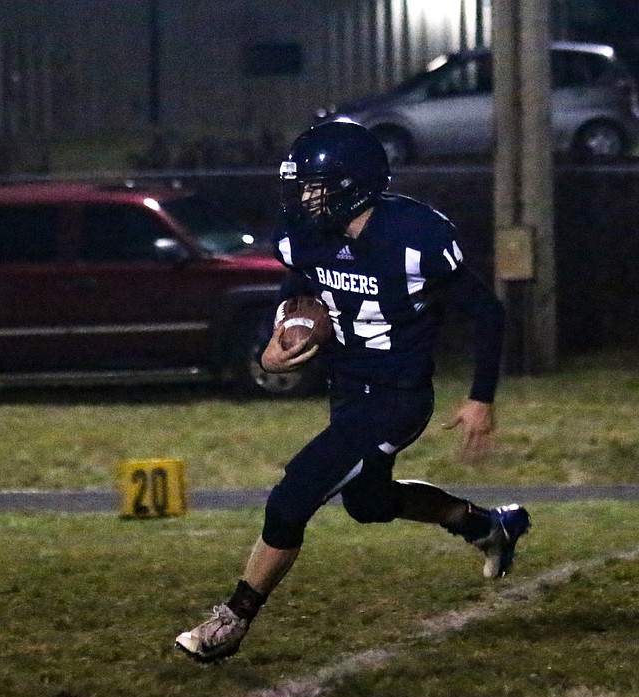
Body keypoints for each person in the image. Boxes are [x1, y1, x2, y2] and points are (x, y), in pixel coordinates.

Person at [174, 120, 532, 663]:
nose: (305, 197)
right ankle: (487, 525)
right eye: (302, 185)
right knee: (367, 502)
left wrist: (481, 396)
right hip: (347, 389)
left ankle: (231, 621)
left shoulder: (417, 237)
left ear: (355, 184)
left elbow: (487, 312)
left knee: (295, 494)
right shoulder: (305, 232)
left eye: (316, 185)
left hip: (397, 396)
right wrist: (278, 337)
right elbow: (297, 287)